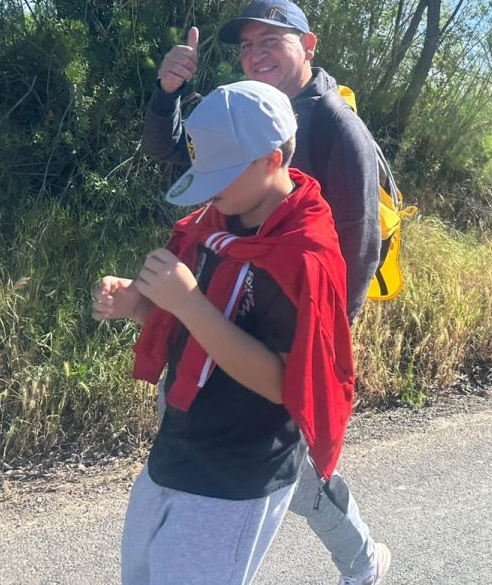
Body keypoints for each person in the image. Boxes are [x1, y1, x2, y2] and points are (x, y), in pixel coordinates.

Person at [142, 0, 390, 585]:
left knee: (292, 468)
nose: (254, 55)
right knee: (221, 437)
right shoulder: (247, 108)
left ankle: (363, 562)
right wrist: (169, 92)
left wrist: (314, 348)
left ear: (308, 45)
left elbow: (357, 247)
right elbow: (178, 158)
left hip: (284, 329)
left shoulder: (335, 126)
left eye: (270, 41)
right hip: (224, 308)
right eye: (246, 45)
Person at [94, 82, 355, 584]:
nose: (210, 189)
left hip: (239, 470)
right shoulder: (214, 223)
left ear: (270, 160)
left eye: (222, 173)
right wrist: (140, 306)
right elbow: (191, 331)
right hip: (176, 448)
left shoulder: (303, 256)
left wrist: (188, 303)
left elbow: (285, 384)